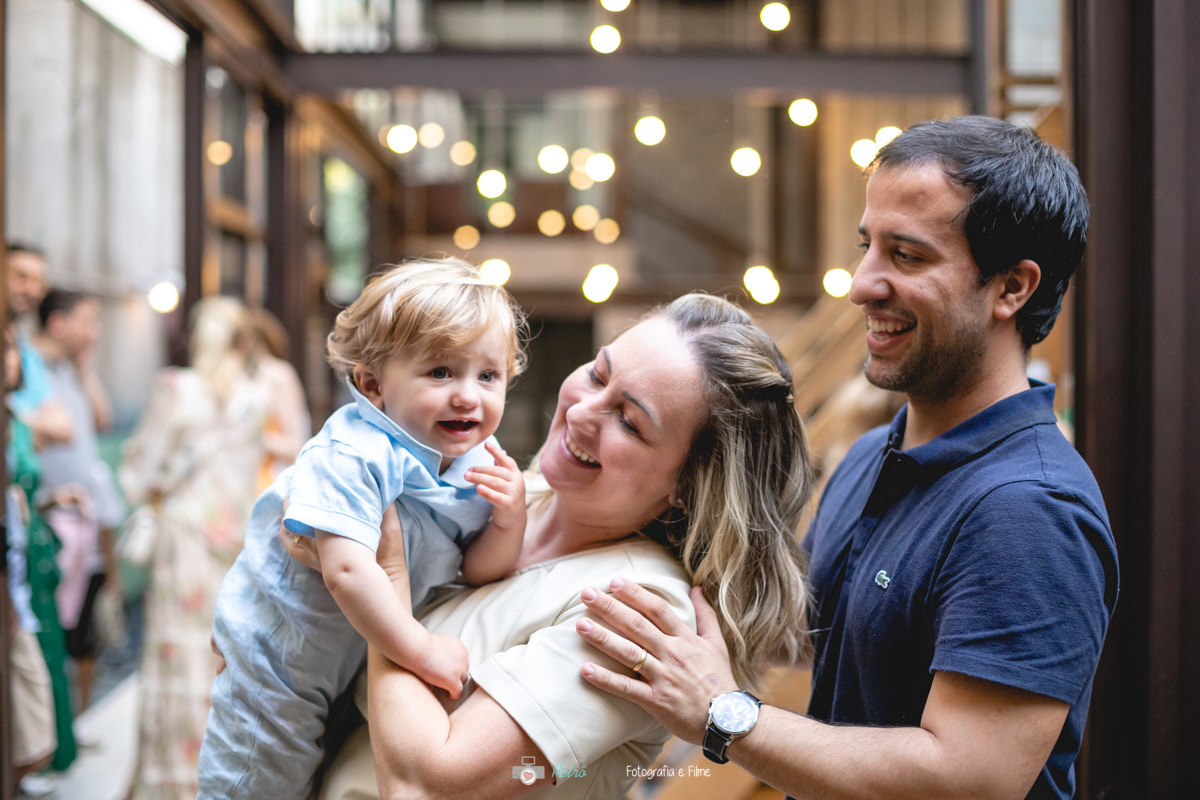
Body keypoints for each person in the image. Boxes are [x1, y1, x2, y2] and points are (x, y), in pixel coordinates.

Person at [575, 116, 1118, 800]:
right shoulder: (872, 453)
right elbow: (828, 633)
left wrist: (723, 714)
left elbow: (968, 778)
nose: (863, 284)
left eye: (907, 256)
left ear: (1012, 288)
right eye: (868, 246)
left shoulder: (1027, 510)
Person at [287, 291, 814, 800]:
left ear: (690, 486)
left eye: (629, 422)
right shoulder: (518, 490)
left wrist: (388, 579)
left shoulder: (637, 611)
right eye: (598, 374)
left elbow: (425, 786)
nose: (583, 412)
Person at [199, 258, 529, 800]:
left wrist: (508, 520)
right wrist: (420, 651)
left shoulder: (476, 466)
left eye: (488, 375)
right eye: (440, 372)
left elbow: (479, 567)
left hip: (349, 665)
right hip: (278, 660)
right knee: (257, 782)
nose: (469, 395)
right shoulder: (354, 453)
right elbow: (348, 571)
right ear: (372, 384)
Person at [119, 296, 273, 800]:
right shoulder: (255, 396)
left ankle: (169, 781)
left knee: (175, 656)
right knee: (222, 656)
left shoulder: (177, 389)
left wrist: (145, 488)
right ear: (242, 342)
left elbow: (138, 471)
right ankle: (218, 777)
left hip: (183, 538)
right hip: (234, 539)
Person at [32, 288, 124, 711]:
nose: (97, 333)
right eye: (88, 321)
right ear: (58, 323)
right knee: (52, 628)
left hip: (87, 517)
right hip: (51, 514)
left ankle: (78, 722)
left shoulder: (71, 371)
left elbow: (102, 419)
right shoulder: (31, 369)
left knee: (85, 628)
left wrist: (85, 370)